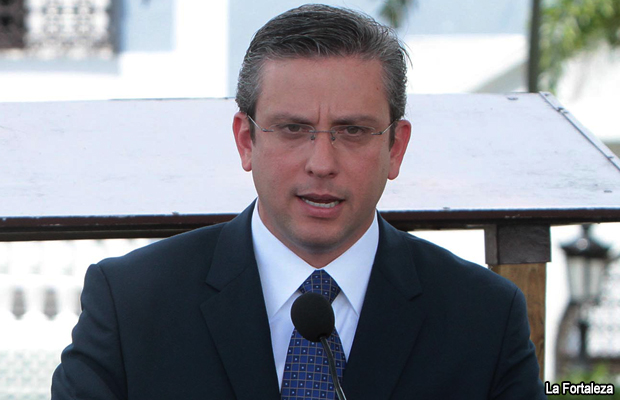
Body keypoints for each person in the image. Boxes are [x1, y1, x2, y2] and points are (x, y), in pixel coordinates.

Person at [52, 4, 546, 399]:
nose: (322, 163)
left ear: (395, 148)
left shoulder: (483, 317)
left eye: (353, 131)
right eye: (293, 129)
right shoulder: (132, 303)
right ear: (246, 141)